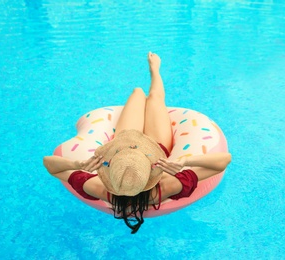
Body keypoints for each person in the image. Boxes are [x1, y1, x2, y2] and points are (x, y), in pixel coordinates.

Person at [43, 52, 232, 234]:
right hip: (157, 144)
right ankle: (155, 70)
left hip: (124, 139)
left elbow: (50, 165)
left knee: (137, 92)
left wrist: (78, 164)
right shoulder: (166, 186)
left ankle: (151, 75)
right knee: (154, 98)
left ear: (111, 175)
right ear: (150, 172)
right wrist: (185, 162)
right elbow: (223, 161)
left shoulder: (99, 189)